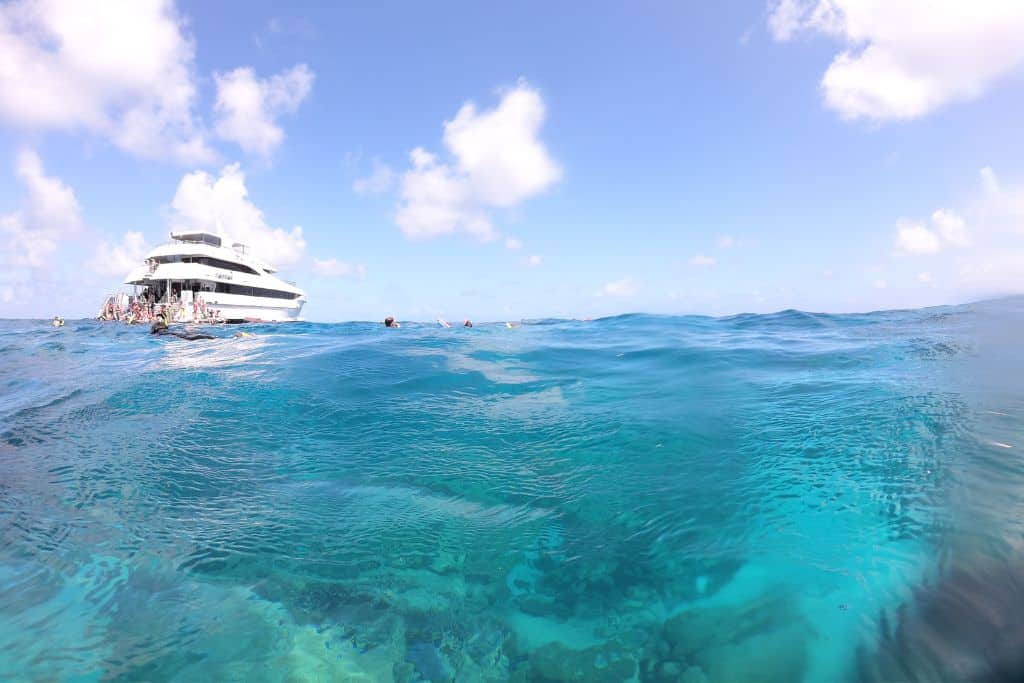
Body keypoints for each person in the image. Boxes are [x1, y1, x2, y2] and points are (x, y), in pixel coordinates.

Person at [150, 318, 215, 341]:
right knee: (189, 335)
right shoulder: (166, 330)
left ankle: (206, 337)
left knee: (189, 338)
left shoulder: (159, 333)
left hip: (173, 334)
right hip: (175, 332)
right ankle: (209, 337)